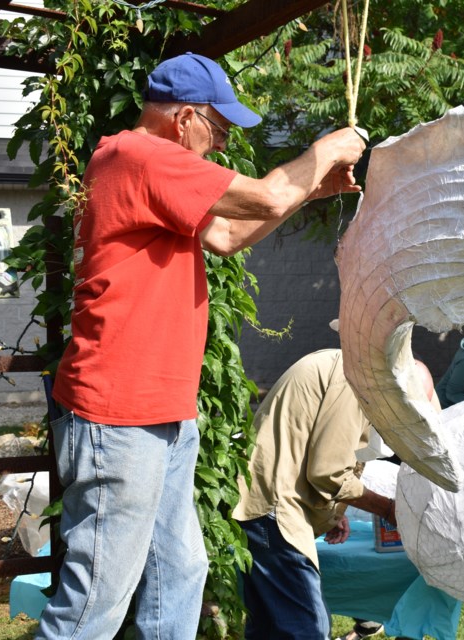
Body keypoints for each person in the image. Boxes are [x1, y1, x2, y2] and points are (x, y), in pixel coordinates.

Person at [37, 52, 365, 640]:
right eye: (217, 129)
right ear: (183, 117)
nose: (218, 145)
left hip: (162, 413)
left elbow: (227, 234)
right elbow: (263, 198)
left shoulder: (151, 170)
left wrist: (311, 191)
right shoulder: (139, 155)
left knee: (180, 573)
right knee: (95, 604)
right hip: (120, 414)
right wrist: (326, 150)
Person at [233, 350, 436, 640]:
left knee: (269, 627)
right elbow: (328, 472)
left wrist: (333, 512)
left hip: (268, 504)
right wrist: (388, 508)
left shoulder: (356, 373)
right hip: (275, 508)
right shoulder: (355, 383)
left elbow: (317, 451)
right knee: (308, 628)